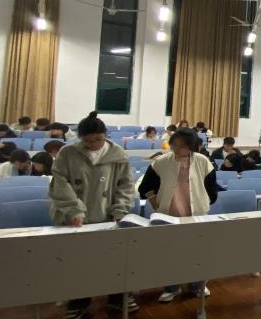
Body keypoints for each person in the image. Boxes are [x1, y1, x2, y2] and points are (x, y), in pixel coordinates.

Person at [49, 112, 136, 317]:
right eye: (88, 141)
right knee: (79, 262)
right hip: (75, 216)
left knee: (114, 259)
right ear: (80, 139)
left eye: (98, 139)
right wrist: (74, 210)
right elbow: (60, 183)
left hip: (107, 215)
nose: (94, 144)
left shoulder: (118, 154)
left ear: (105, 135)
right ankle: (78, 302)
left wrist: (120, 209)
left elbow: (126, 185)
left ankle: (118, 298)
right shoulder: (67, 153)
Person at [137, 128, 217, 302]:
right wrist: (156, 204)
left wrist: (203, 202)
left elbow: (212, 190)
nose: (176, 149)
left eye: (182, 146)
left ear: (191, 147)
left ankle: (198, 285)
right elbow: (145, 187)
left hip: (196, 215)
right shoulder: (161, 162)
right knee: (170, 253)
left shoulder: (203, 161)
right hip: (168, 215)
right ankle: (171, 288)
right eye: (174, 144)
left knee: (197, 252)